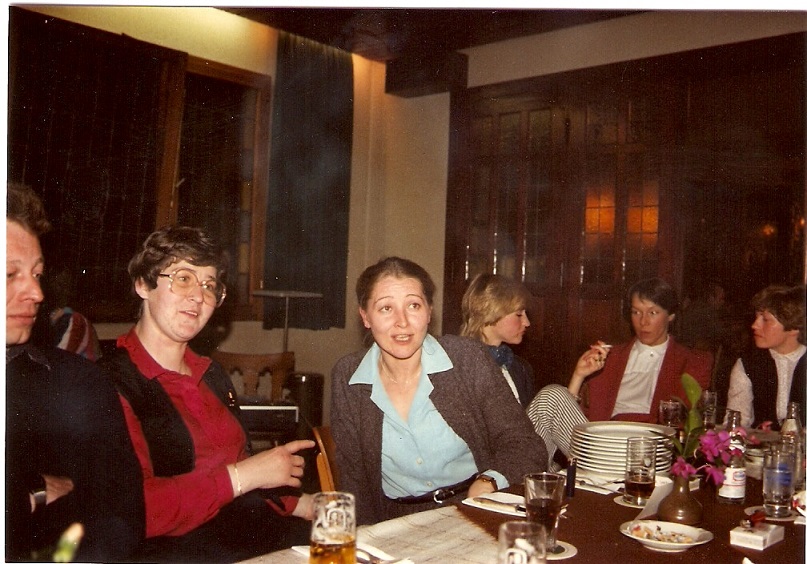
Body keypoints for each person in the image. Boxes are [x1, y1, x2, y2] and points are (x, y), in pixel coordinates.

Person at [98, 226, 315, 562]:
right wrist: (245, 475)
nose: (199, 297)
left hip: (248, 535)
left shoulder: (211, 374)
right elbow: (134, 510)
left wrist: (301, 503)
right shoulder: (108, 383)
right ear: (143, 285)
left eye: (209, 285)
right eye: (184, 278)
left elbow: (240, 470)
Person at [331, 257, 547, 525]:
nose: (402, 322)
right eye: (386, 308)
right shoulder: (348, 376)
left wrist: (490, 481)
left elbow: (525, 444)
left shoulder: (467, 359)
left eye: (413, 305)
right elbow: (354, 479)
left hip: (473, 508)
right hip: (397, 523)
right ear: (365, 317)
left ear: (429, 312)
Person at [5, 183, 144, 561]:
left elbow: (119, 517)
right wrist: (32, 491)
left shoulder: (77, 383)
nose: (36, 293)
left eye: (37, 274)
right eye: (10, 274)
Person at [527, 277, 713, 470]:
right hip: (600, 446)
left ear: (671, 315)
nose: (643, 322)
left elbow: (690, 424)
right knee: (550, 397)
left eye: (653, 313)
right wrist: (579, 375)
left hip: (648, 452)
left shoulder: (693, 362)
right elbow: (571, 418)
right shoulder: (609, 357)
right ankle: (532, 478)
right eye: (636, 312)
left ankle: (548, 475)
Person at [726, 284, 806, 429]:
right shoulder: (748, 364)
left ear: (794, 328)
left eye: (765, 319)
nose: (754, 325)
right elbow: (736, 423)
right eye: (757, 317)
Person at [460, 273, 535, 406]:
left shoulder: (520, 368)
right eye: (519, 314)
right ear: (490, 312)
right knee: (552, 395)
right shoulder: (463, 367)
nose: (527, 322)